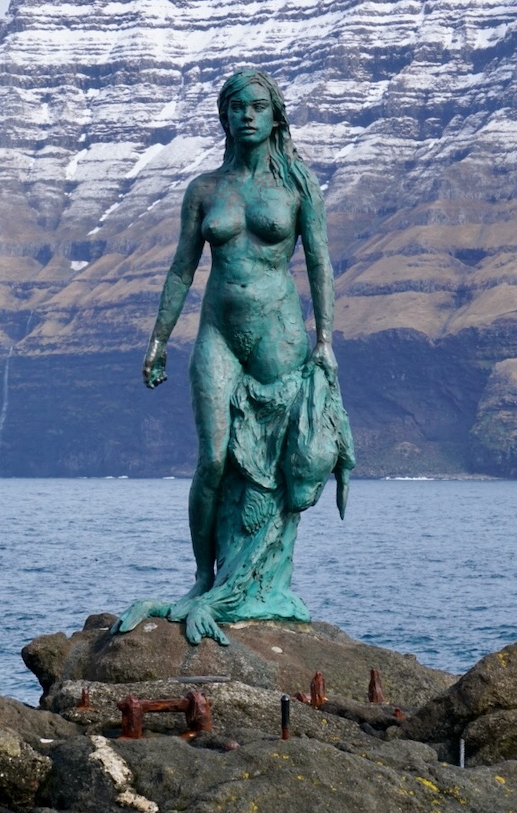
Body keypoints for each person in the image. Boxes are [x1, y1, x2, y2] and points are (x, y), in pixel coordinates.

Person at [116, 69, 354, 646]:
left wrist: (325, 340)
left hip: (279, 333)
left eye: (257, 106)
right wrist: (158, 339)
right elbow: (181, 267)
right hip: (219, 334)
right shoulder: (204, 190)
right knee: (214, 458)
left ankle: (262, 581)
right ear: (223, 117)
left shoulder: (298, 186)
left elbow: (320, 263)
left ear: (275, 117)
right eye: (236, 107)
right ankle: (206, 577)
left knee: (275, 464)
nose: (246, 115)